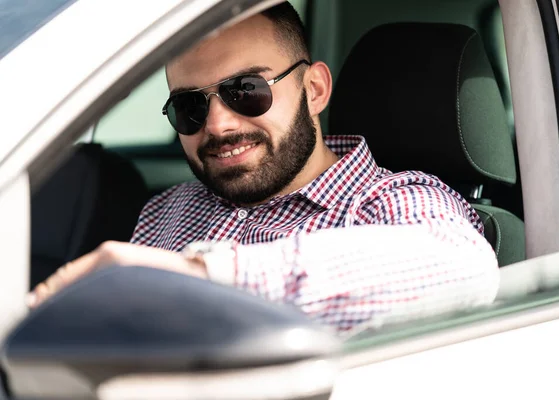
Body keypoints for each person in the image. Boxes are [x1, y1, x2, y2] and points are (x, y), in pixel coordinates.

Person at [29, 2, 499, 335]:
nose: (218, 124)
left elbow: (465, 265)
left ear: (314, 89)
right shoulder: (166, 210)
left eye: (247, 90)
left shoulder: (394, 201)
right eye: (190, 106)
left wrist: (202, 277)